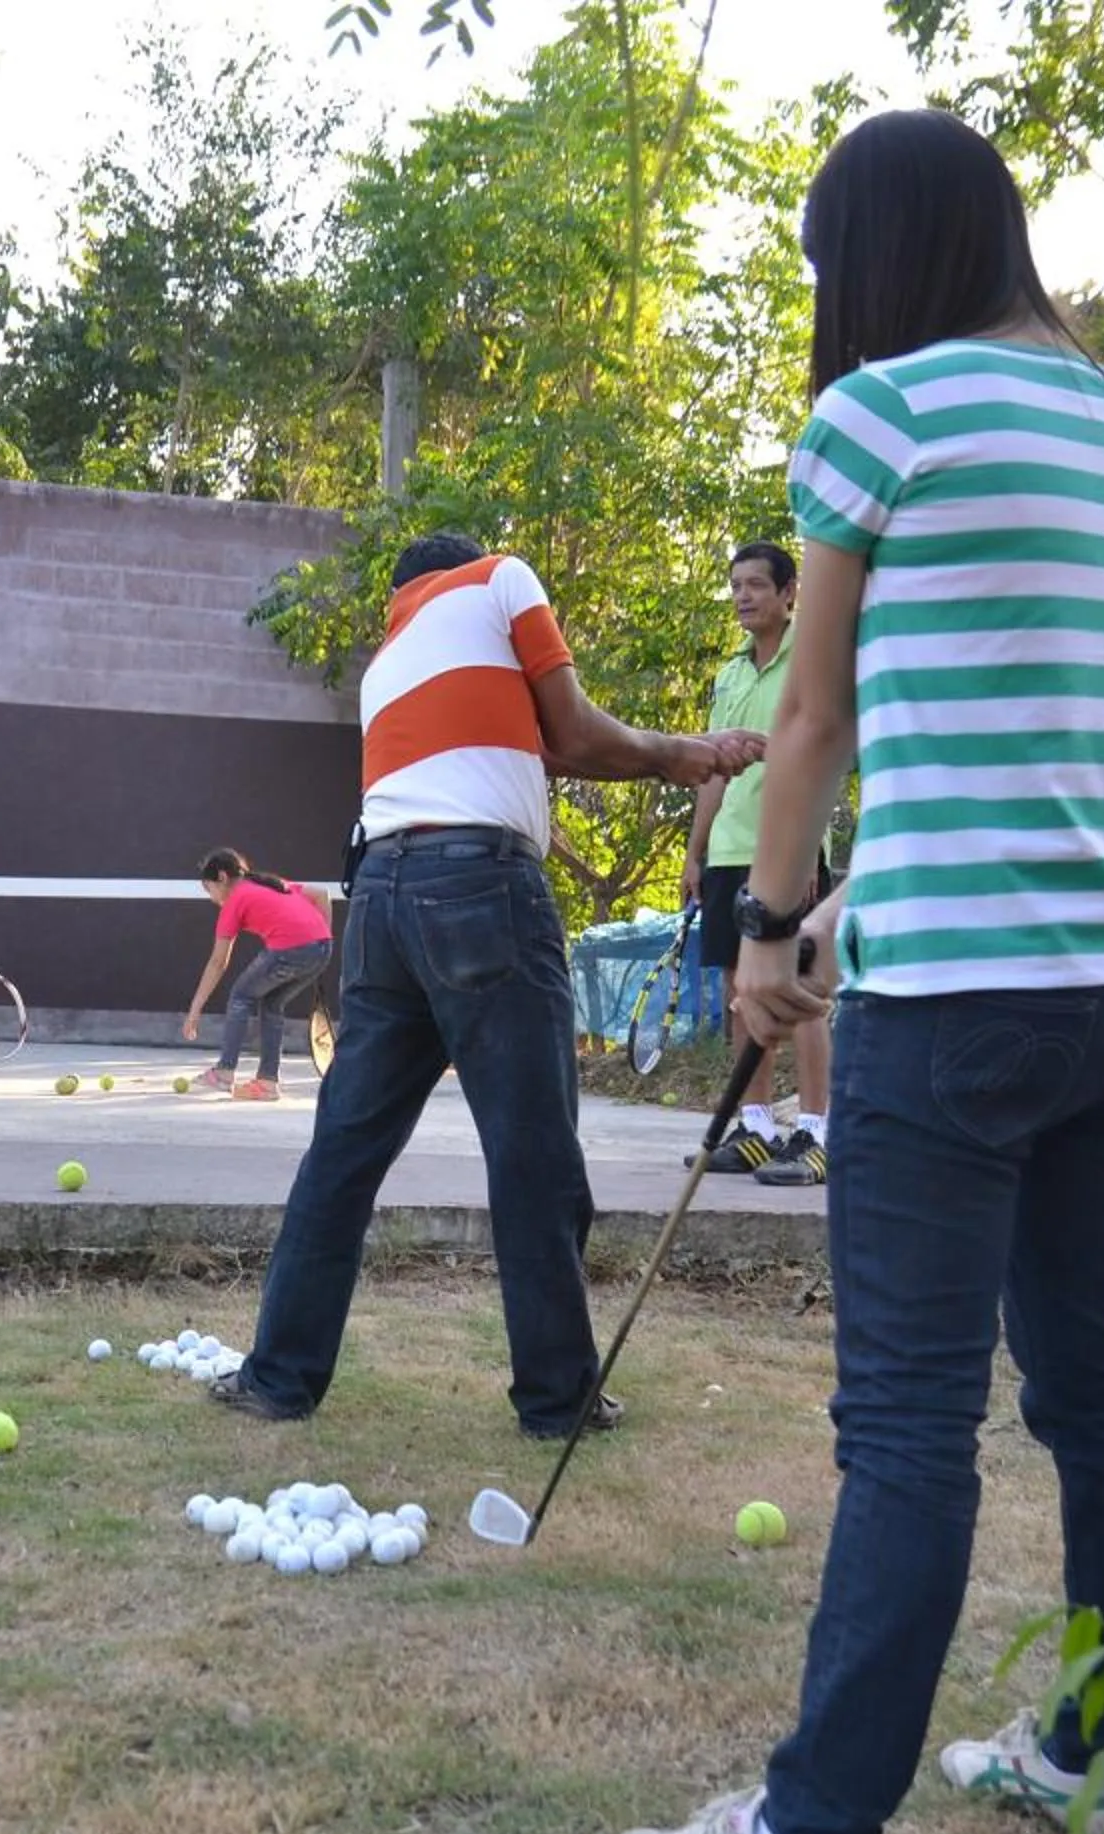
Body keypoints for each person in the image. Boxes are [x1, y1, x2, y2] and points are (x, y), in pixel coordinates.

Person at [607, 107, 1104, 1834]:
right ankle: (1093, 1748)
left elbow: (813, 720)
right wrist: (864, 892)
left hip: (957, 1016)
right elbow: (1033, 722)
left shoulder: (886, 411)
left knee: (910, 1429)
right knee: (1101, 1386)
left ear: (871, 251)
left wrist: (770, 928)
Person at [211, 534, 757, 1438]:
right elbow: (575, 732)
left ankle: (277, 1379)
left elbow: (542, 746)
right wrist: (679, 753)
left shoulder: (390, 661)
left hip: (380, 903)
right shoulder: (500, 577)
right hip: (480, 893)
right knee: (533, 1152)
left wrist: (678, 752)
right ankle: (556, 1398)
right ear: (458, 567)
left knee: (344, 1155)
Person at [684, 540, 833, 1185]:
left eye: (757, 585)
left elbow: (823, 755)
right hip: (729, 853)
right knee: (739, 992)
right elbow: (714, 770)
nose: (744, 596)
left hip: (789, 848)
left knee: (796, 991)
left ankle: (817, 1131)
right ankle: (757, 1126)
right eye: (737, 585)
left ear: (790, 592)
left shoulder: (814, 658)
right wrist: (696, 851)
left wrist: (806, 850)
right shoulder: (729, 675)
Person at [180, 848, 336, 1100]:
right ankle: (267, 1083)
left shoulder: (235, 900)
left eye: (209, 890)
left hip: (291, 949)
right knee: (272, 1003)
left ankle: (224, 1073)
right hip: (322, 948)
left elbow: (218, 962)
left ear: (221, 877)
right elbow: (322, 895)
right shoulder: (273, 884)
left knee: (241, 996)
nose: (211, 898)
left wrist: (194, 1010)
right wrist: (320, 938)